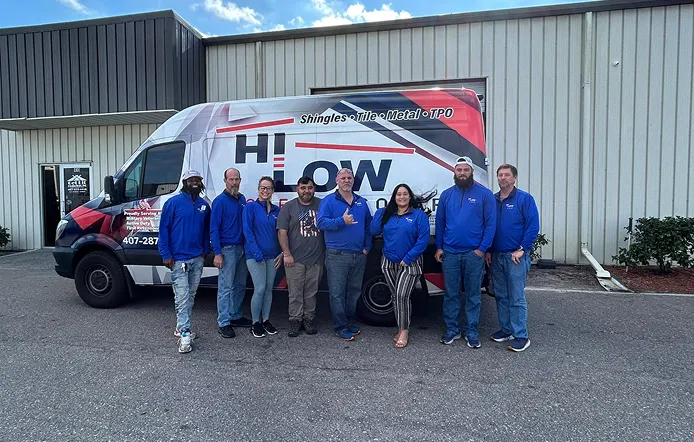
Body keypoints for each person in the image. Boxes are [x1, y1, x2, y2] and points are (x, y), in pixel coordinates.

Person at [435, 156, 496, 348]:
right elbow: (440, 223)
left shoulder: (485, 195)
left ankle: (472, 331)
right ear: (454, 172)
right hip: (450, 253)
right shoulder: (446, 195)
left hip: (473, 254)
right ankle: (452, 329)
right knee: (451, 294)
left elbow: (490, 224)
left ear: (472, 172)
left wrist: (482, 250)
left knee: (473, 295)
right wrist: (439, 247)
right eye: (459, 170)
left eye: (466, 170)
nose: (462, 173)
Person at [370, 184, 432, 348]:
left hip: (410, 263)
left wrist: (409, 257)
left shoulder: (418, 216)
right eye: (398, 194)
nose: (402, 197)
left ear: (410, 196)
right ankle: (400, 327)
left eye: (405, 194)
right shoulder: (388, 214)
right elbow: (374, 231)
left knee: (402, 295)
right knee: (395, 296)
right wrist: (380, 213)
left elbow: (423, 240)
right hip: (388, 262)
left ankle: (404, 331)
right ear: (394, 197)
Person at [486, 164, 539, 352]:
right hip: (496, 256)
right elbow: (488, 226)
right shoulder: (493, 200)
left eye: (507, 175)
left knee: (516, 297)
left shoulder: (524, 199)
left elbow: (533, 226)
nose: (503, 178)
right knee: (501, 295)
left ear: (514, 178)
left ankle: (521, 336)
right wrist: (488, 250)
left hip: (515, 256)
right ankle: (506, 329)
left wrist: (522, 249)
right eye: (500, 175)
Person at [158, 170, 211, 354]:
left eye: (197, 179)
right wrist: (165, 254)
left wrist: (205, 251)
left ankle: (180, 327)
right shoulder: (173, 203)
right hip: (178, 258)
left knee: (191, 295)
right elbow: (164, 229)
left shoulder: (204, 205)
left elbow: (206, 231)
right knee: (182, 296)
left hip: (197, 258)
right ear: (184, 182)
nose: (195, 182)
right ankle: (185, 334)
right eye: (191, 179)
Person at [317, 168, 373, 341]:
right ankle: (340, 326)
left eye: (349, 178)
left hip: (359, 255)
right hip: (337, 255)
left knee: (354, 291)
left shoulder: (361, 202)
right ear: (337, 180)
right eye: (343, 178)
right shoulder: (328, 201)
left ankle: (349, 321)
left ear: (353, 181)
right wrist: (342, 221)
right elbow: (321, 223)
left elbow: (368, 226)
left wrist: (367, 247)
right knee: (337, 293)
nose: (347, 180)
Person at [277, 176, 325, 337]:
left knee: (311, 293)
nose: (306, 191)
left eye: (310, 188)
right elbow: (282, 232)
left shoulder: (321, 205)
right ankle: (295, 320)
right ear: (297, 189)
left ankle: (308, 319)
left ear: (314, 189)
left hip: (316, 259)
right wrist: (286, 254)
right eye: (303, 188)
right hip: (294, 259)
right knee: (295, 293)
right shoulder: (288, 207)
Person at [210, 167, 252, 339]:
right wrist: (217, 253)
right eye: (231, 179)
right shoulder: (219, 202)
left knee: (240, 284)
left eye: (237, 179)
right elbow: (214, 229)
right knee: (226, 287)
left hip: (242, 248)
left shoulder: (241, 199)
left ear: (240, 180)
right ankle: (223, 322)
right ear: (225, 181)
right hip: (227, 250)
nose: (234, 182)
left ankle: (235, 315)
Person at [243, 176, 283, 338]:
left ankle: (265, 320)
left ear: (273, 190)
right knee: (259, 288)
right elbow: (248, 232)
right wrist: (257, 253)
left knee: (268, 289)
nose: (265, 191)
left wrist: (282, 252)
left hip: (273, 255)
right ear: (258, 189)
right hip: (255, 256)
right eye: (262, 188)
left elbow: (281, 233)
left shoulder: (277, 211)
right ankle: (255, 323)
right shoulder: (250, 207)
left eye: (269, 188)